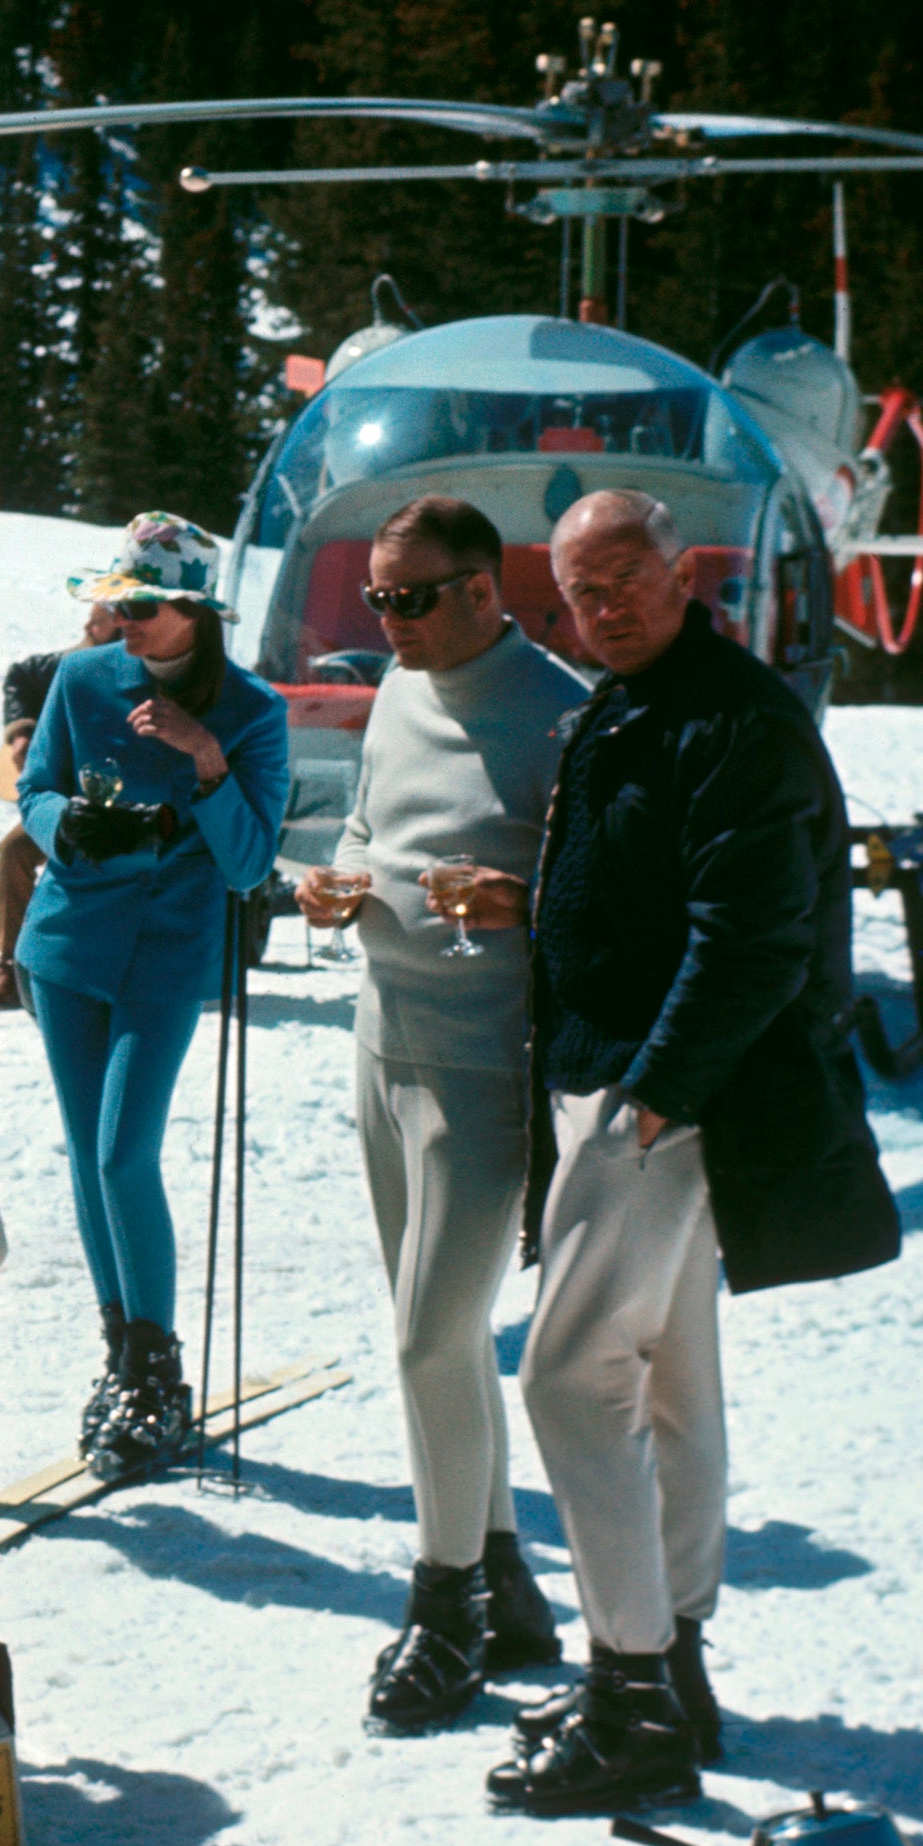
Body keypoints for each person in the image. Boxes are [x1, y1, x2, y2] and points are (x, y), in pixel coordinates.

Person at [494, 492, 900, 1819]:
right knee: (670, 1376)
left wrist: (655, 1094)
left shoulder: (735, 713)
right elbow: (643, 879)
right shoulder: (630, 698)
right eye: (578, 589)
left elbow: (753, 932)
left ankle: (627, 1695)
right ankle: (669, 1656)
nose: (603, 604)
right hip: (622, 1076)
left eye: (625, 577)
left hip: (657, 1092)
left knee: (564, 1378)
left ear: (682, 572)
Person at [294, 499, 590, 1730]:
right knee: (440, 1331)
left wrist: (522, 898)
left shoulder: (561, 710)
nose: (391, 623)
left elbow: (597, 894)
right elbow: (371, 819)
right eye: (377, 600)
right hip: (385, 1041)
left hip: (485, 1067)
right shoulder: (404, 691)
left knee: (431, 1336)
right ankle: (508, 1575)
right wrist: (340, 876)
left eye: (413, 599)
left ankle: (446, 1598)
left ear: (485, 587)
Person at [12, 516, 290, 1477]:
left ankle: (158, 1371)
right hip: (67, 946)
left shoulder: (254, 710)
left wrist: (207, 762)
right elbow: (33, 789)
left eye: (141, 603)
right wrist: (64, 826)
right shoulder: (82, 680)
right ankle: (122, 1360)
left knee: (126, 1152)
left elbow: (252, 862)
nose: (119, 617)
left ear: (196, 613)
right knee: (92, 1161)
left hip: (169, 955)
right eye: (116, 598)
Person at [0, 650, 54, 1009]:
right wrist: (22, 731)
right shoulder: (74, 663)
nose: (95, 619)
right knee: (14, 849)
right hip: (66, 798)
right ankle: (11, 970)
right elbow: (20, 675)